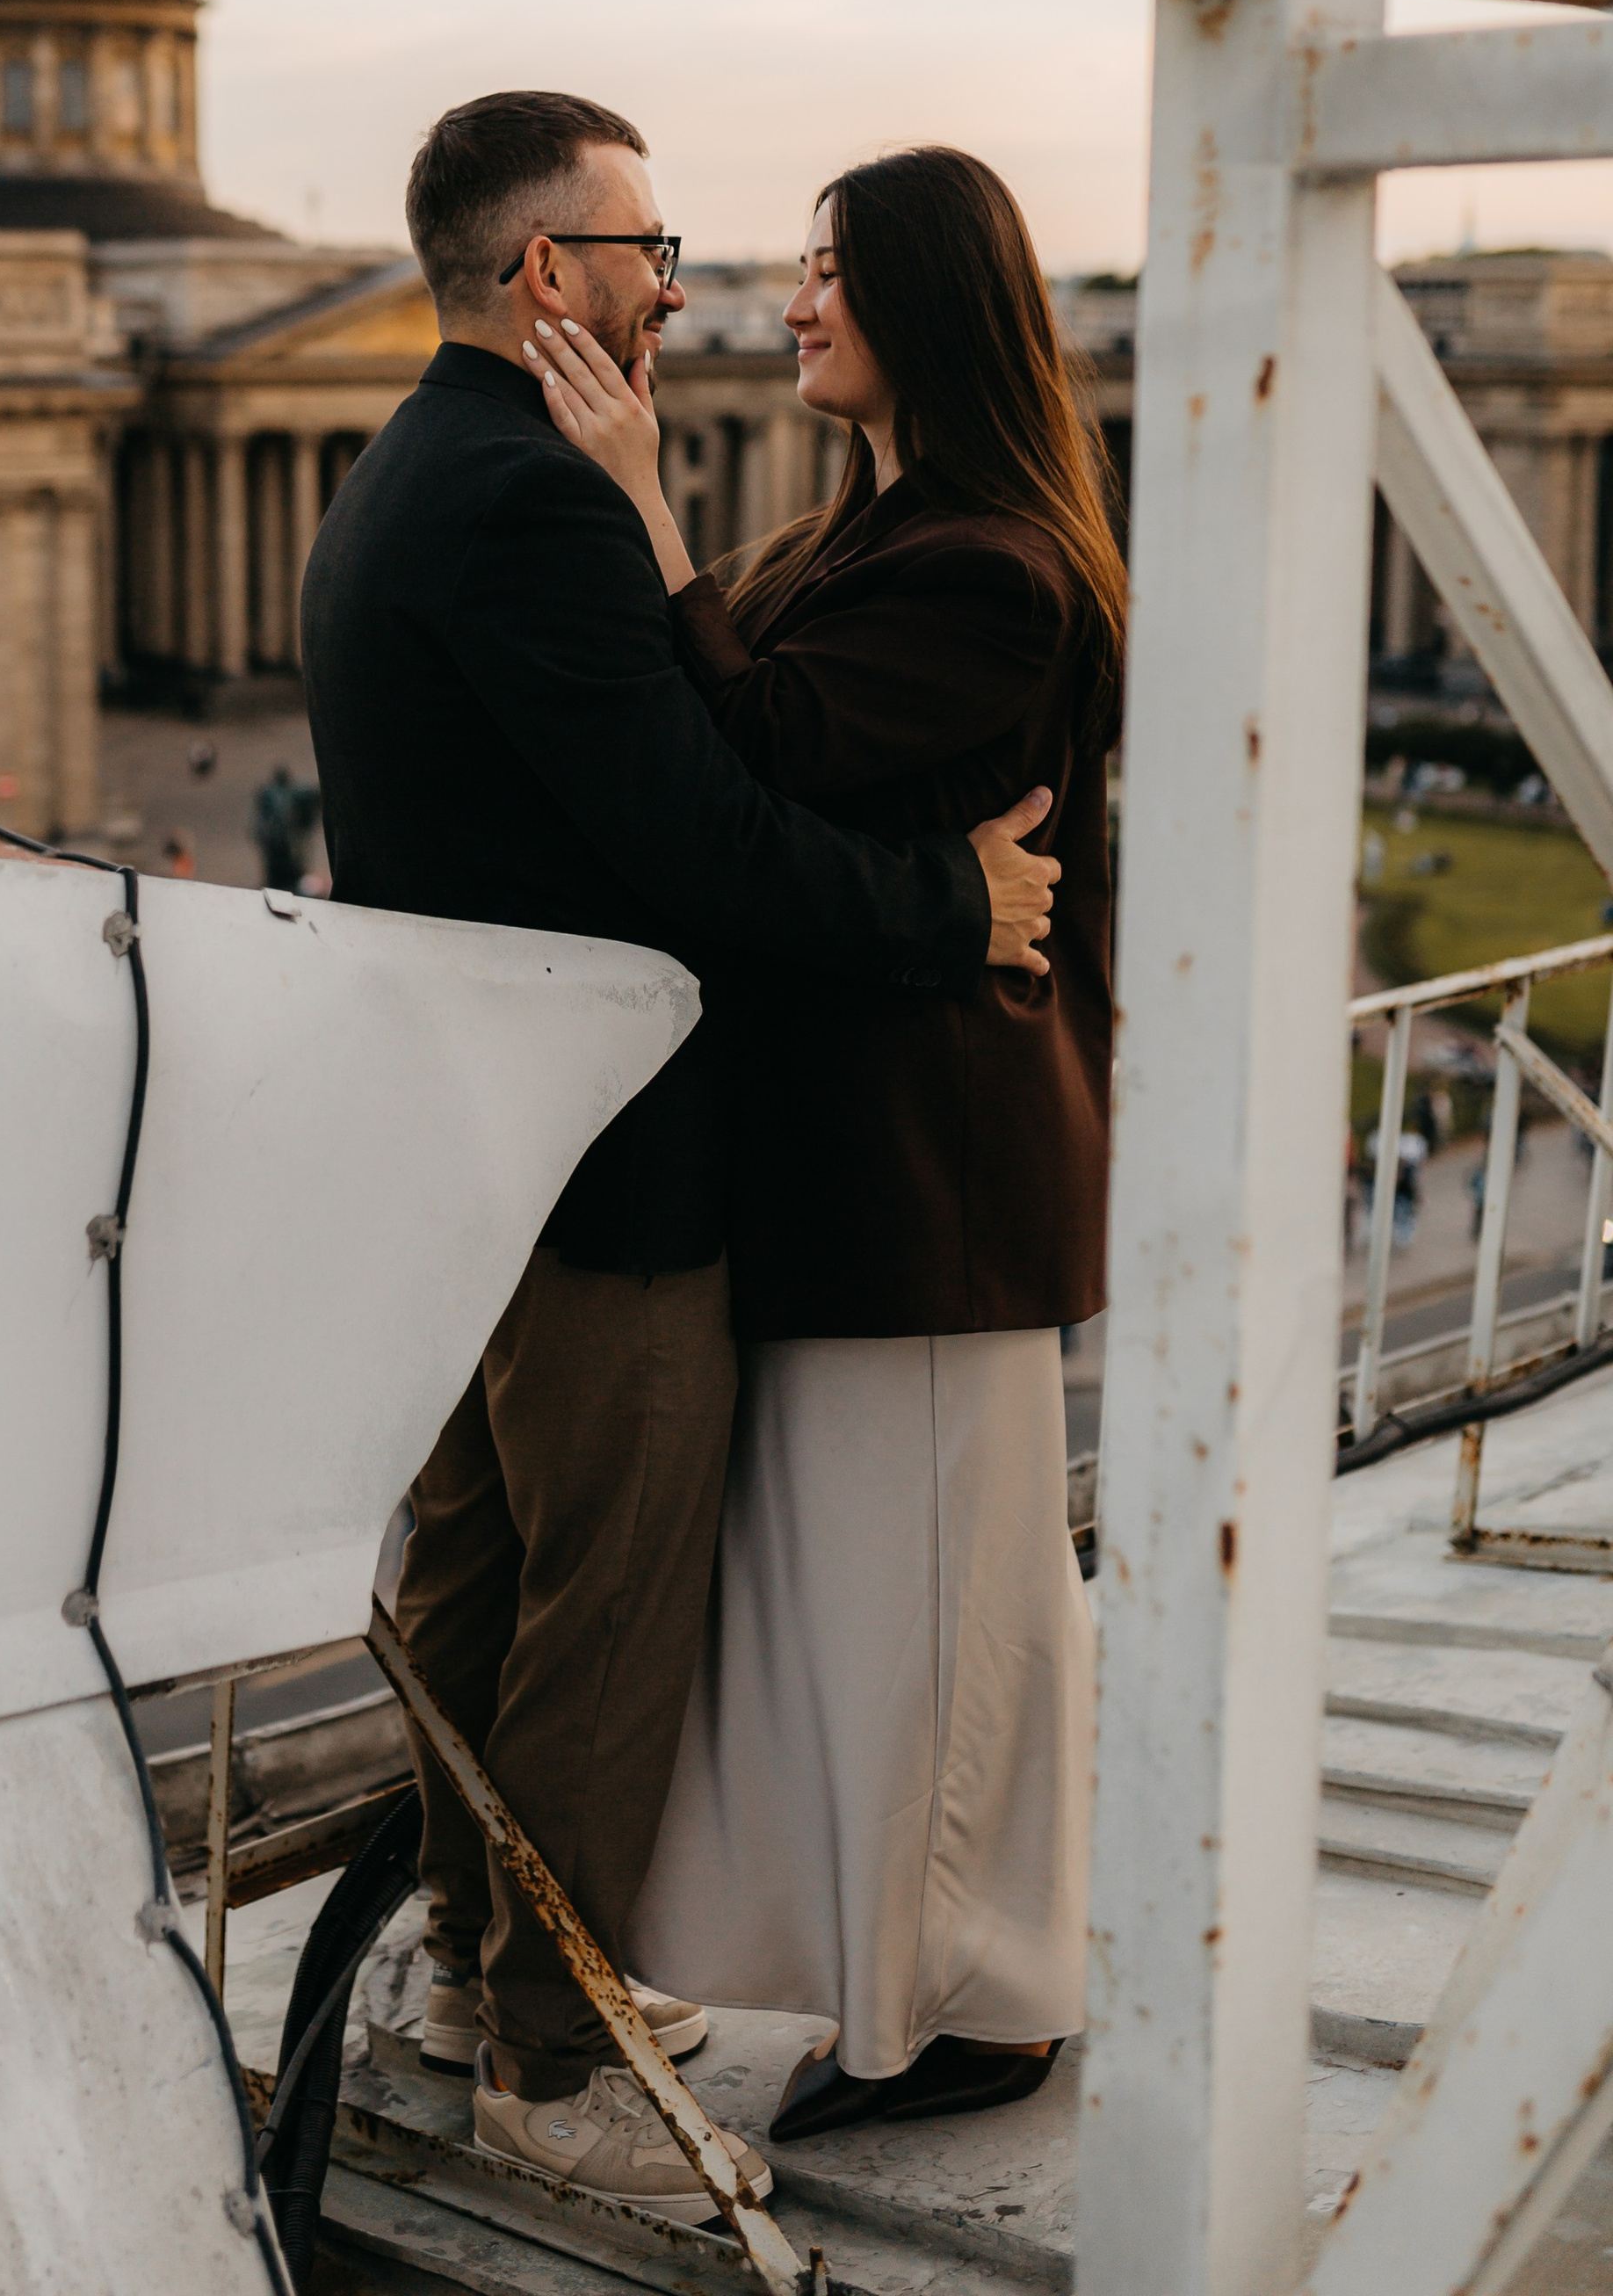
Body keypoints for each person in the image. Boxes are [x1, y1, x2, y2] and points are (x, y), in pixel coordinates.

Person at [300, 91, 1063, 2218]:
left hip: (473, 1146)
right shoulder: (536, 500)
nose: (678, 281)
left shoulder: (402, 472)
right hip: (607, 1157)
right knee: (602, 1619)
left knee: (470, 1574)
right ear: (545, 271)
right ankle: (554, 2059)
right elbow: (702, 838)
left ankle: (465, 1981)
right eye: (646, 246)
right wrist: (948, 905)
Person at [531, 143, 1118, 2143]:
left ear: (933, 303)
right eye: (790, 265)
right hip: (857, 1160)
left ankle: (989, 1999)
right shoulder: (868, 534)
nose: (785, 301)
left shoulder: (985, 561)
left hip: (930, 1172)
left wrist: (633, 503)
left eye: (828, 270)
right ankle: (918, 1978)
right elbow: (741, 736)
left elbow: (757, 751)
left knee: (948, 1615)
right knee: (883, 1610)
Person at [250, 760, 322, 894]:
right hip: (280, 844)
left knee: (286, 876)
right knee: (283, 876)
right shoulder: (272, 793)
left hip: (284, 844)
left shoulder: (273, 793)